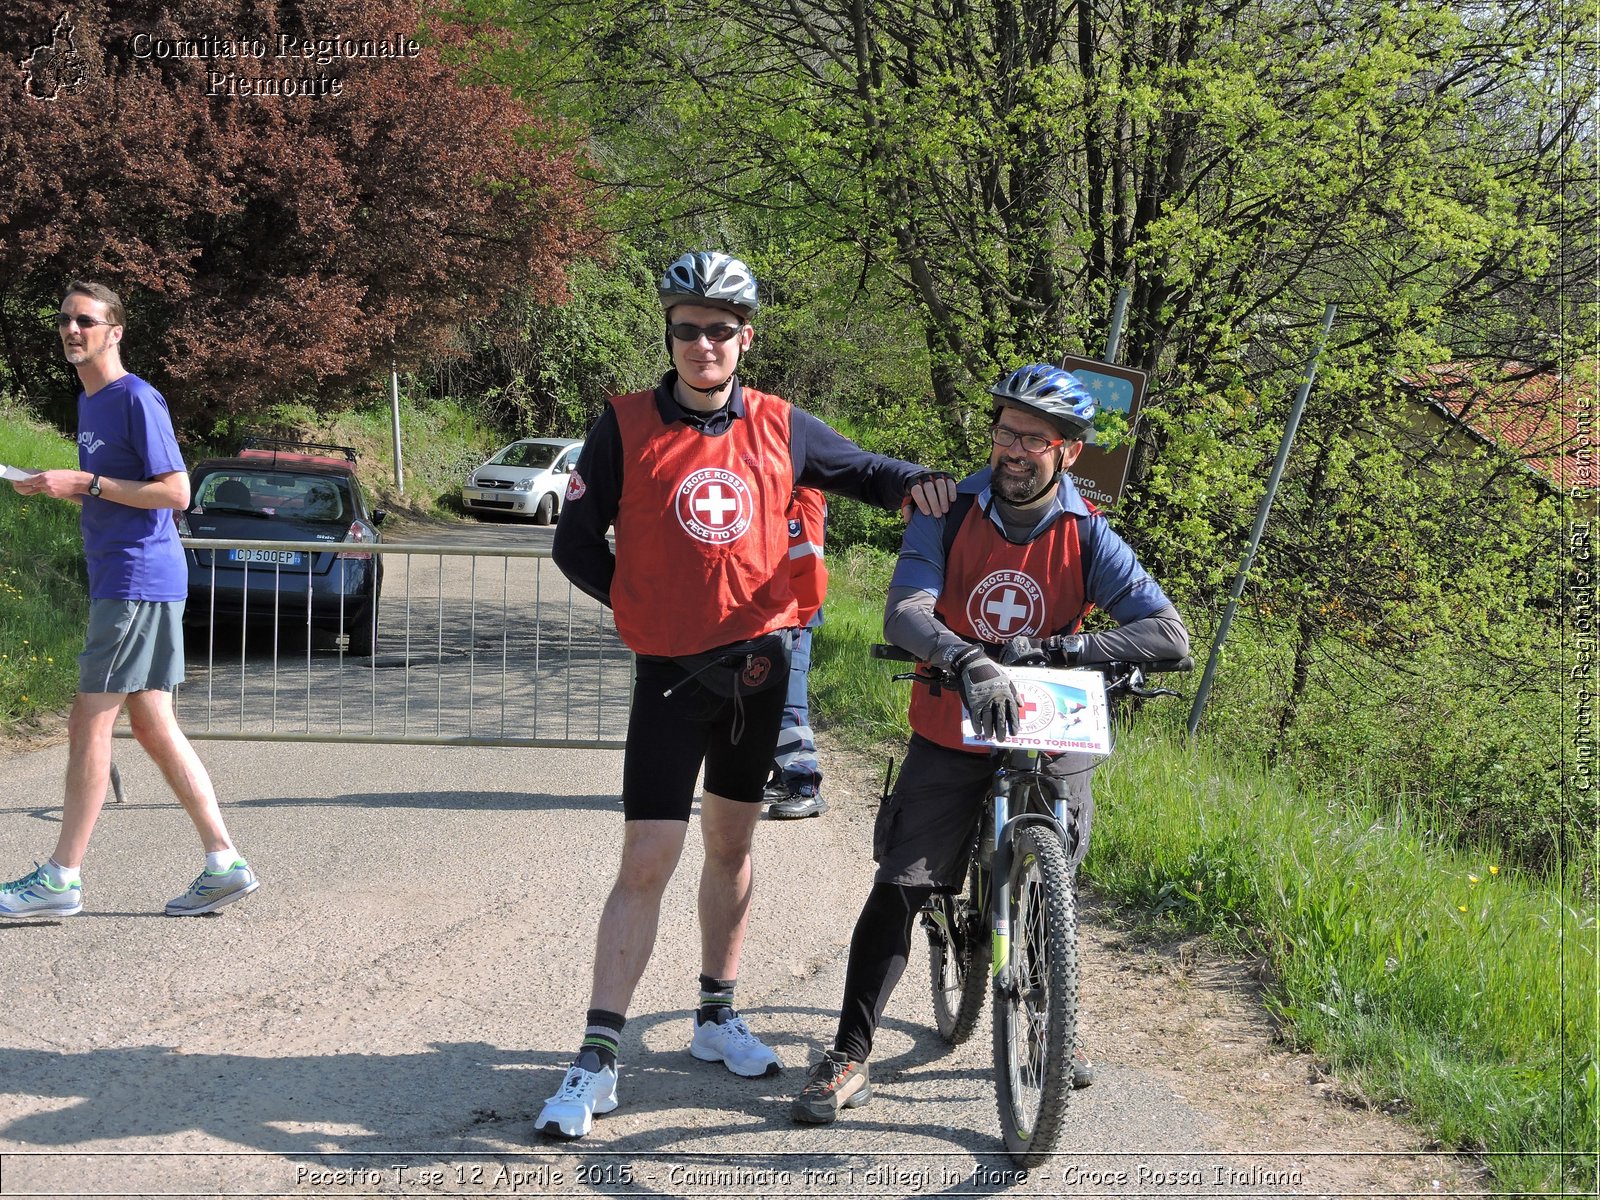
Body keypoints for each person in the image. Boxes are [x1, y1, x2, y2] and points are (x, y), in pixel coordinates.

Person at [544, 250, 955, 1140]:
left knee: (732, 848)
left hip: (759, 670)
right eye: (687, 329)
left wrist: (923, 481)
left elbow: (867, 473)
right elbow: (575, 544)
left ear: (745, 340)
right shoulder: (620, 426)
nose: (703, 345)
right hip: (670, 674)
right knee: (647, 858)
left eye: (720, 331)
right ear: (670, 332)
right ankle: (598, 1055)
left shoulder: (781, 426)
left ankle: (715, 1015)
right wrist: (639, 599)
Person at [789, 363, 1190, 1124]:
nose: (1014, 449)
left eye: (1034, 438)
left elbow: (1170, 635)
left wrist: (1070, 650)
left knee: (1055, 868)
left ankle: (1054, 1010)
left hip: (1048, 721)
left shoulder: (1087, 534)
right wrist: (969, 658)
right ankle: (847, 1054)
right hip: (952, 708)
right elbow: (905, 611)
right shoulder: (948, 511)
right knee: (903, 883)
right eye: (1005, 431)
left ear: (1067, 452)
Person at [0, 279, 259, 921]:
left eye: (85, 320)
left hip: (137, 578)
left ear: (113, 331)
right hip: (129, 577)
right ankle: (224, 862)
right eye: (64, 320)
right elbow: (111, 487)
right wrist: (64, 487)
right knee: (150, 722)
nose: (71, 330)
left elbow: (176, 493)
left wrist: (86, 481)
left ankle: (61, 878)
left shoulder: (135, 397)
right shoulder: (90, 402)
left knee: (90, 718)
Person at [763, 486, 827, 819]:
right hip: (776, 614)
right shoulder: (790, 492)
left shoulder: (801, 499)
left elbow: (809, 569)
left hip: (793, 615)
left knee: (789, 700)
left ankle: (805, 785)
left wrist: (795, 620)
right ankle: (782, 775)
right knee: (767, 697)